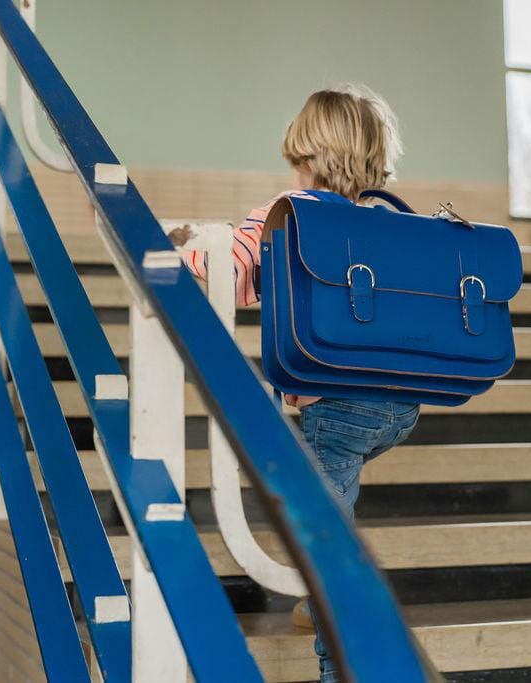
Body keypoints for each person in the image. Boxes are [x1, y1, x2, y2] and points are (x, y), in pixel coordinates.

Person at [175, 85, 419, 683]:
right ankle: (318, 602)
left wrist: (181, 249)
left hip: (336, 405)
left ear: (305, 153)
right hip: (400, 405)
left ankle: (340, 668)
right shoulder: (388, 220)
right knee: (335, 494)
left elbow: (230, 275)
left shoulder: (286, 213)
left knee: (326, 546)